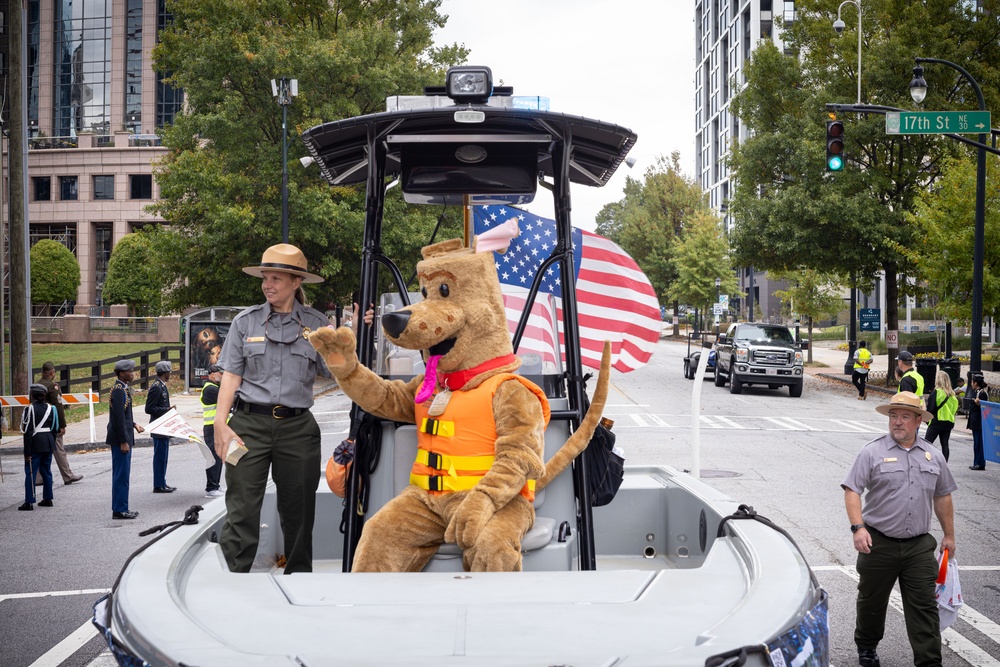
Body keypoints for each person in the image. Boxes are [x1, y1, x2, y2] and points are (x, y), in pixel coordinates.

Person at [213, 243, 331, 574]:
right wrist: (221, 425)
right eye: (265, 277)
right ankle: (232, 579)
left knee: (299, 510)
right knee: (241, 508)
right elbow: (231, 376)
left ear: (296, 282)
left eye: (276, 278)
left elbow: (339, 370)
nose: (268, 285)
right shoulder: (245, 323)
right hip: (247, 425)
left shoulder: (317, 325)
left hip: (298, 429)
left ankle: (299, 579)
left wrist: (354, 335)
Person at [842, 391, 956, 667]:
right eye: (894, 416)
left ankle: (929, 661)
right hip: (878, 542)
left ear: (918, 421)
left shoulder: (933, 455)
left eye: (905, 416)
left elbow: (942, 496)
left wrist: (949, 535)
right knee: (872, 601)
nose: (897, 422)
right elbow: (852, 489)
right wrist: (858, 527)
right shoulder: (872, 451)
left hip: (919, 544)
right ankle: (867, 647)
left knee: (925, 606)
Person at [107, 359, 145, 520]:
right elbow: (117, 418)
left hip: (125, 435)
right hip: (120, 439)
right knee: (121, 476)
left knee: (123, 475)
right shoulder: (118, 390)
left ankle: (121, 507)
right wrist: (124, 440)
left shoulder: (123, 388)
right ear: (122, 373)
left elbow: (123, 415)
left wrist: (134, 424)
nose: (133, 373)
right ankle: (120, 509)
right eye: (130, 371)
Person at [36, 361, 83, 485]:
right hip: (51, 424)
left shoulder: (35, 386)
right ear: (52, 372)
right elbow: (58, 407)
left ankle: (38, 478)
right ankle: (67, 475)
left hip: (38, 425)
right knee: (58, 450)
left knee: (40, 450)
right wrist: (62, 425)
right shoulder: (53, 386)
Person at [19, 384, 58, 511]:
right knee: (46, 470)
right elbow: (54, 428)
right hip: (47, 442)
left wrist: (27, 452)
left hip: (35, 443)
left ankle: (29, 501)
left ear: (33, 395)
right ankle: (48, 498)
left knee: (31, 472)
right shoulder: (51, 408)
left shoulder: (29, 409)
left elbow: (28, 431)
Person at [145, 360, 175, 493]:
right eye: (169, 372)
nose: (170, 374)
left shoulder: (161, 385)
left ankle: (162, 482)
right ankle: (158, 484)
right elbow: (149, 408)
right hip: (158, 427)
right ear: (165, 373)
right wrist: (167, 410)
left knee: (164, 457)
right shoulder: (156, 387)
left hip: (164, 427)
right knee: (159, 457)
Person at [201, 364, 225, 498]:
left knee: (219, 456)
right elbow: (228, 399)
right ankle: (210, 488)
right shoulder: (210, 388)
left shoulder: (215, 387)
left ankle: (215, 485)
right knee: (214, 457)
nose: (222, 376)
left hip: (217, 427)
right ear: (211, 374)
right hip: (211, 428)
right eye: (219, 374)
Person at [924, 371, 958, 461]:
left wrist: (927, 419)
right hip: (949, 422)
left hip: (937, 421)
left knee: (927, 443)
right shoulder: (952, 395)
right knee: (945, 444)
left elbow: (931, 408)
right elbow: (954, 410)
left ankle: (925, 461)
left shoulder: (937, 392)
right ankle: (944, 464)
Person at [968, 373, 989, 471]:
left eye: (972, 382)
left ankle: (979, 463)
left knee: (979, 443)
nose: (971, 384)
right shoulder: (978, 392)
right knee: (977, 443)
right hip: (976, 422)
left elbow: (986, 408)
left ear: (976, 383)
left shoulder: (982, 393)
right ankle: (977, 462)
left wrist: (979, 404)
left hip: (979, 422)